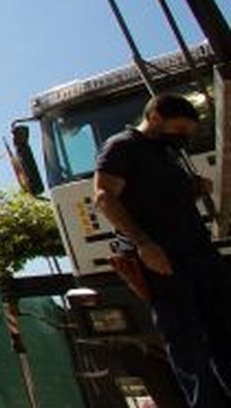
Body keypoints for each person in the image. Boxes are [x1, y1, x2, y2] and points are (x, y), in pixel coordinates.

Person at [95, 93, 231, 408]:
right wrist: (144, 244)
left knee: (224, 332)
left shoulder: (167, 155)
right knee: (186, 342)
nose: (183, 137)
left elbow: (163, 203)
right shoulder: (122, 147)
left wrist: (194, 190)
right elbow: (105, 198)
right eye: (179, 129)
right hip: (165, 262)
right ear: (155, 117)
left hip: (200, 254)